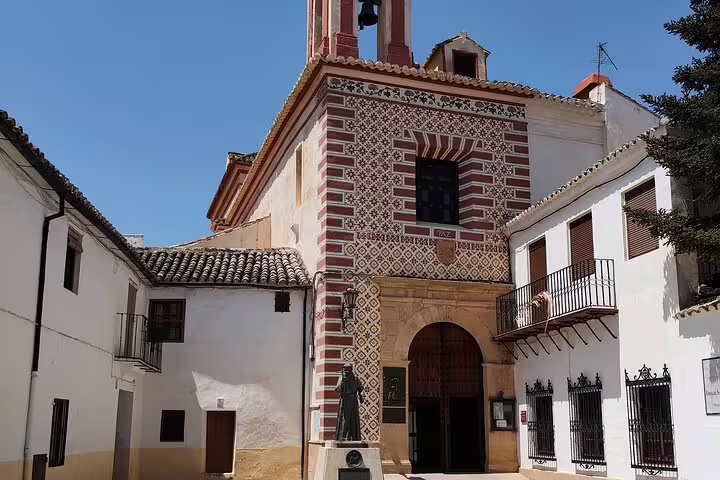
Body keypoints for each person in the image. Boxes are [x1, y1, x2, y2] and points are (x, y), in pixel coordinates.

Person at [335, 363, 364, 441]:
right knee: (345, 419)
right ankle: (343, 436)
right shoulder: (342, 377)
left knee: (353, 419)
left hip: (353, 401)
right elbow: (337, 389)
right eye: (345, 370)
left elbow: (361, 389)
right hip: (345, 401)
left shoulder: (355, 378)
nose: (347, 372)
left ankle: (353, 436)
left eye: (348, 370)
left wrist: (362, 395)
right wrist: (342, 382)